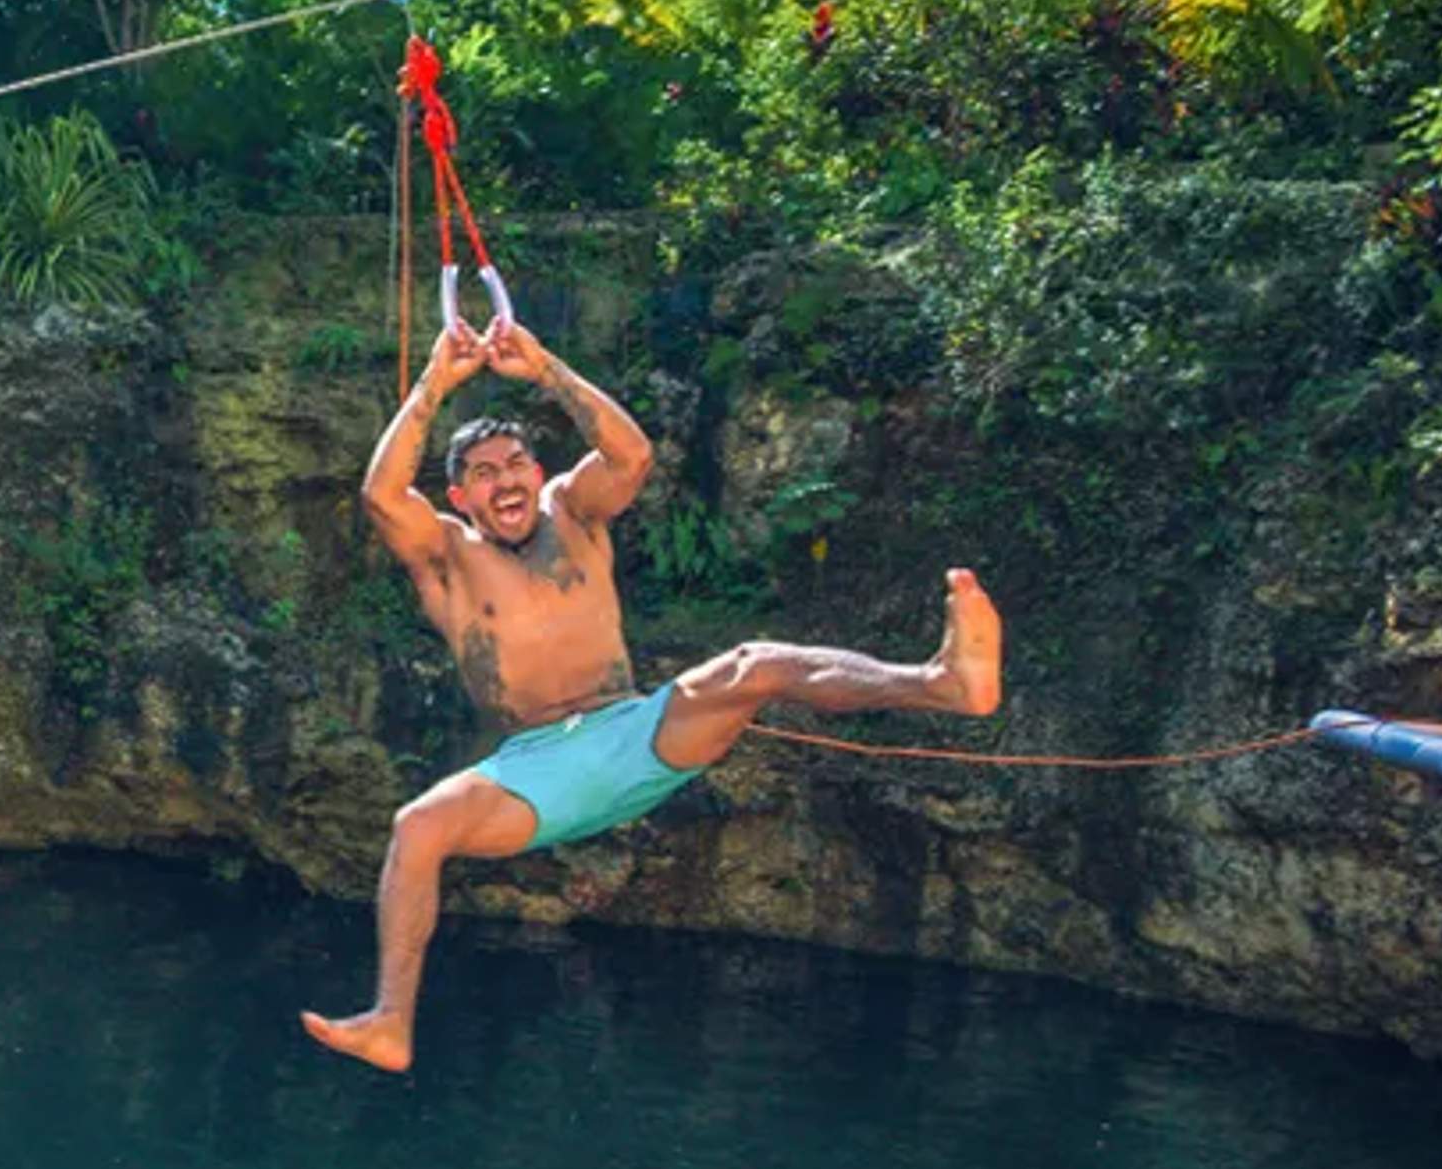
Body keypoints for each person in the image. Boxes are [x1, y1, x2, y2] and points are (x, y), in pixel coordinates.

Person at [301, 314, 1003, 1071]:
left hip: (639, 736)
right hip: (535, 774)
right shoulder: (446, 556)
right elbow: (381, 496)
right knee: (416, 828)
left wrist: (546, 369)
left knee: (752, 663)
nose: (505, 479)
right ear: (461, 496)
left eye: (515, 464)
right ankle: (391, 1021)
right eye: (484, 473)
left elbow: (631, 454)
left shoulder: (572, 511)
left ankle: (943, 683)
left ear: (536, 474)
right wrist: (437, 380)